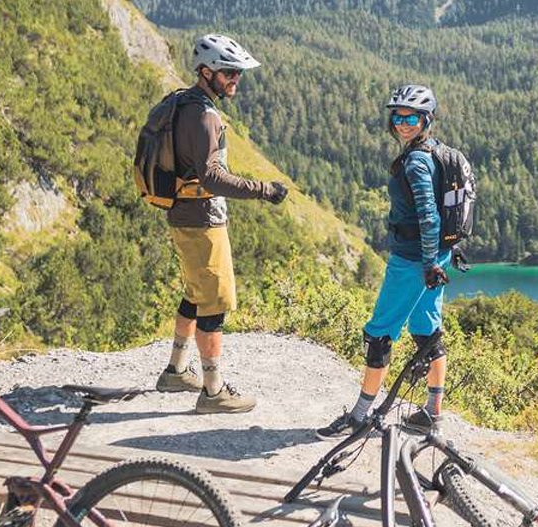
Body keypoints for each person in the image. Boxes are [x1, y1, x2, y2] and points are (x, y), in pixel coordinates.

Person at [153, 34, 290, 413]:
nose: (236, 80)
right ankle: (213, 391)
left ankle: (176, 371)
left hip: (182, 213)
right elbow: (212, 178)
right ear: (206, 71)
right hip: (201, 219)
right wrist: (264, 189)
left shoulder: (182, 103)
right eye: (230, 73)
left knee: (196, 293)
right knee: (214, 303)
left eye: (238, 73)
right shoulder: (206, 116)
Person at [318, 84, 453, 438]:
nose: (403, 123)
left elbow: (428, 213)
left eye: (412, 117)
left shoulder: (417, 161)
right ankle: (432, 412)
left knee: (380, 333)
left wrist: (425, 264)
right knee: (427, 332)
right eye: (398, 116)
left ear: (427, 119)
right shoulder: (437, 152)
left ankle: (361, 416)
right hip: (437, 257)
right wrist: (435, 261)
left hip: (414, 261)